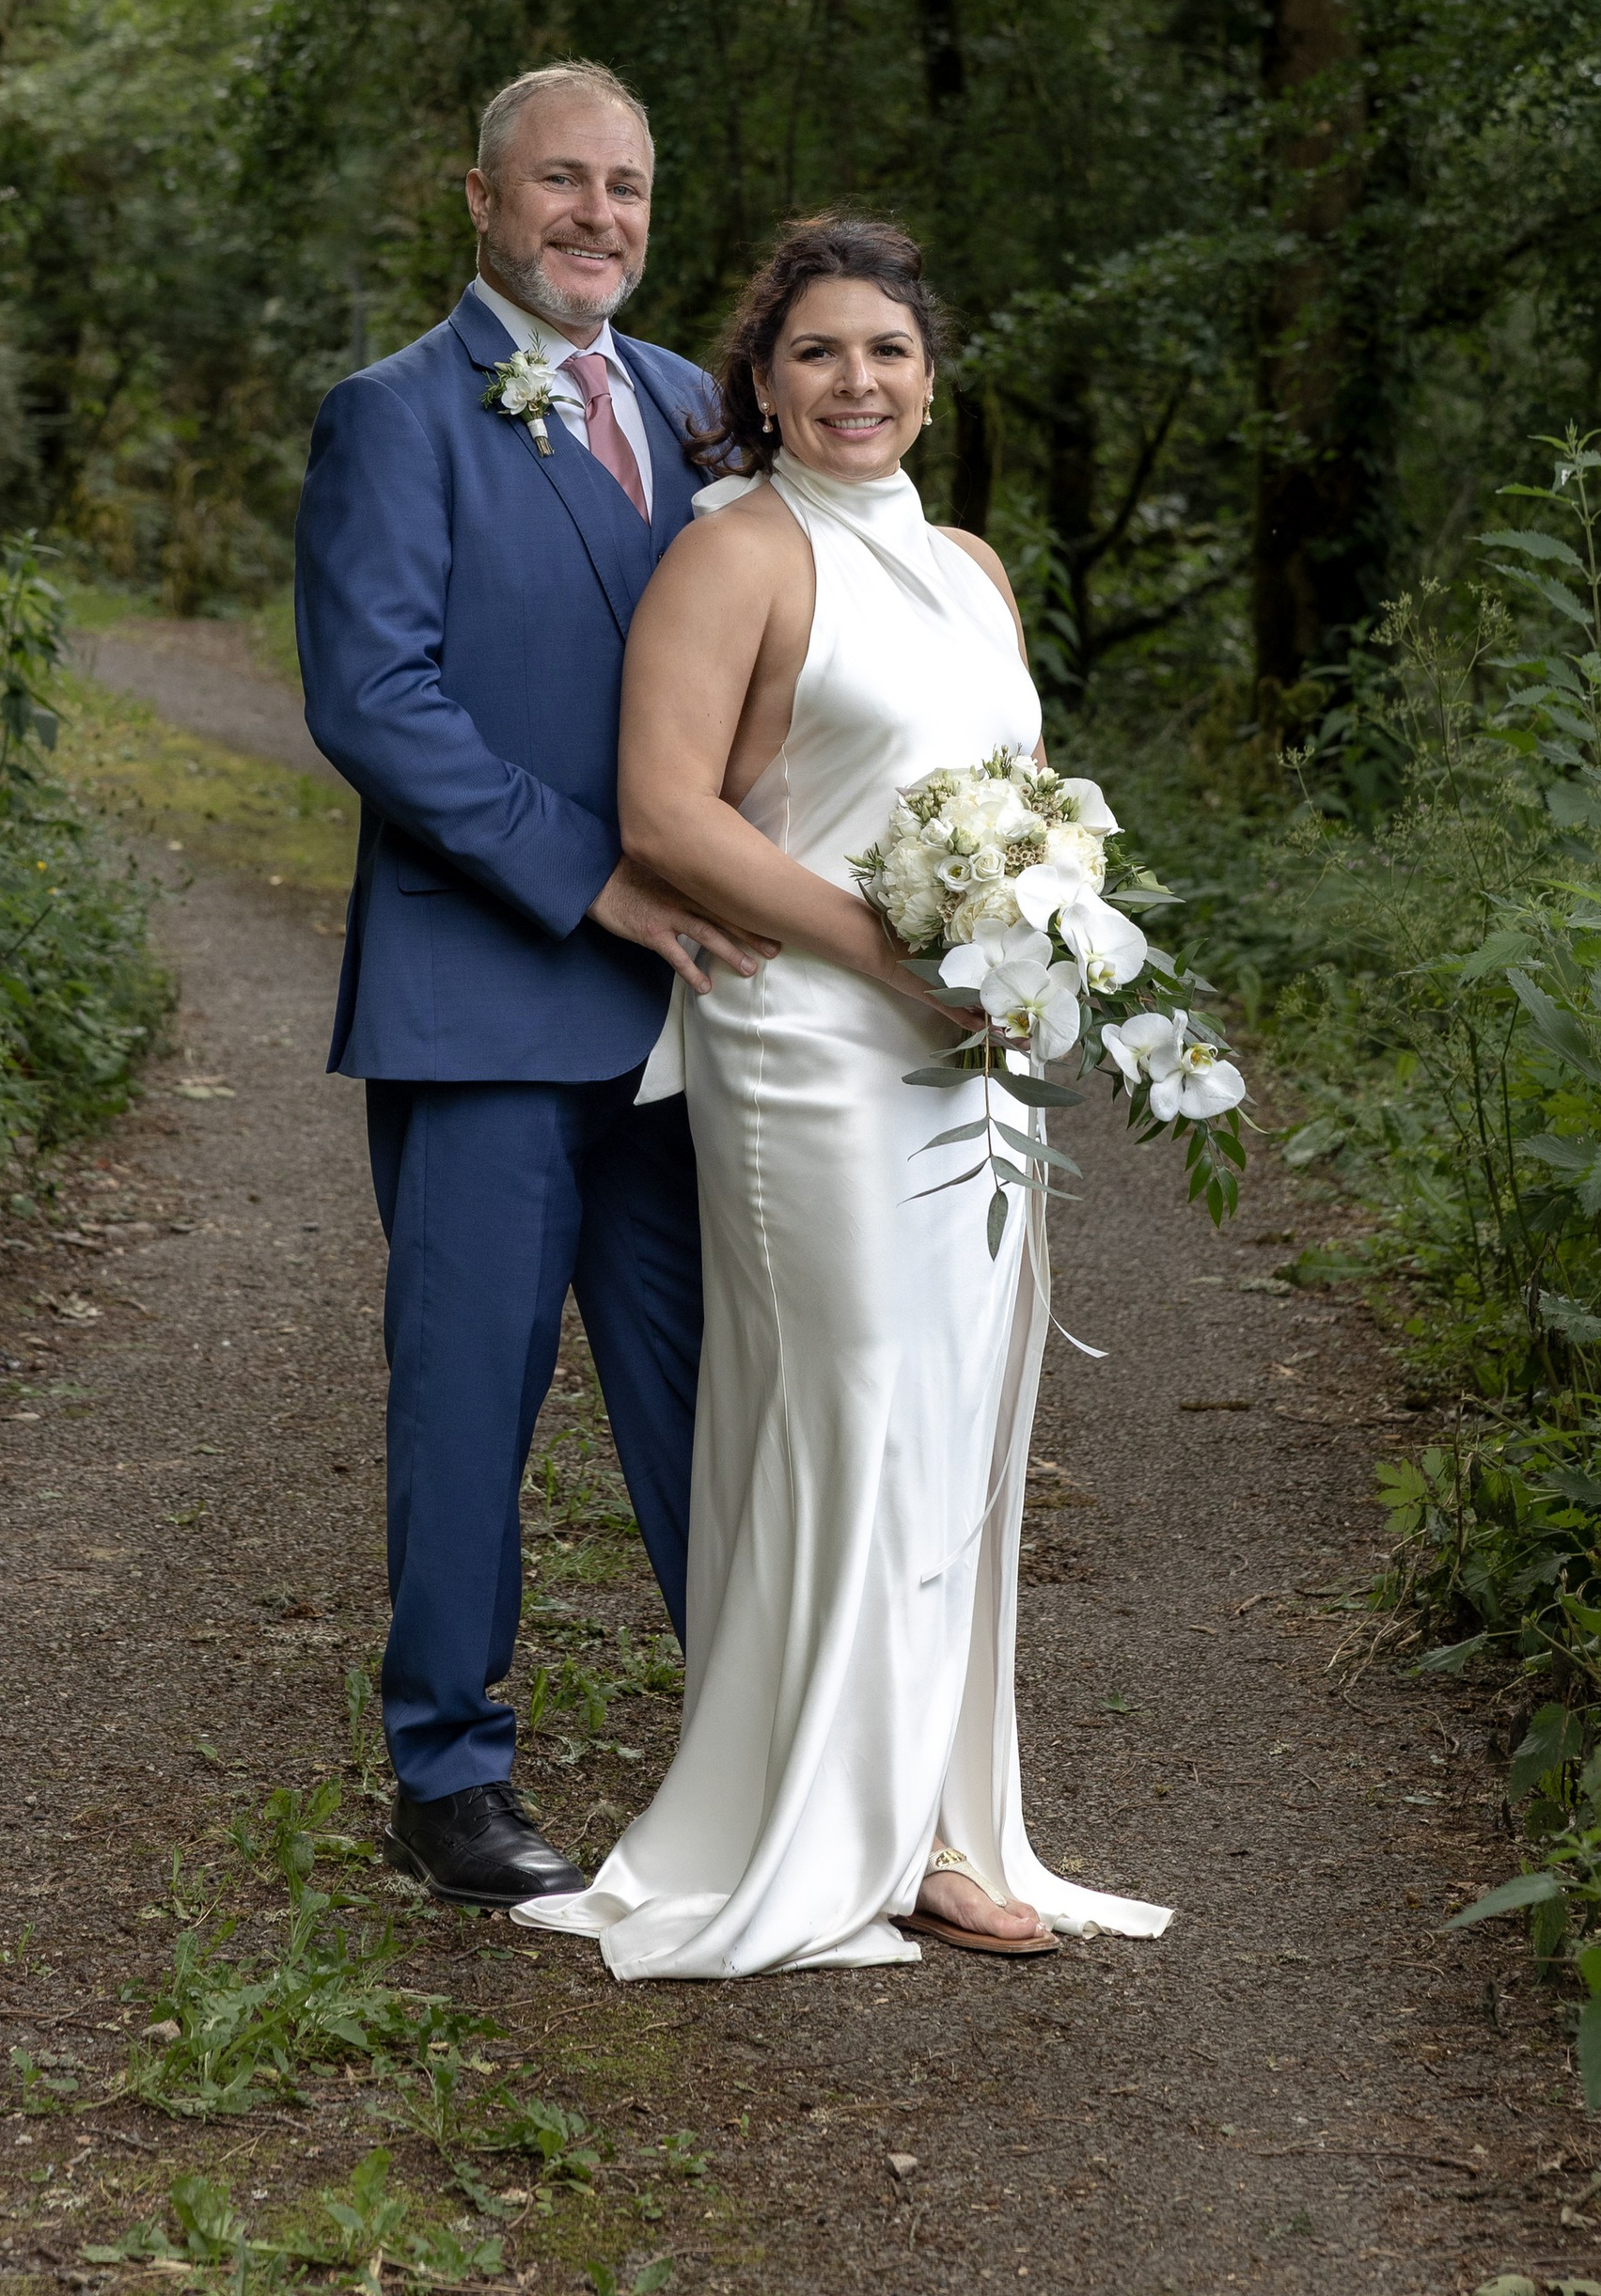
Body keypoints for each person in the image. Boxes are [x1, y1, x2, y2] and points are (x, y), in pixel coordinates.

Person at [515, 216, 1170, 1974]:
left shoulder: (971, 567)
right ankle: (844, 1827)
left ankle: (946, 1820)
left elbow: (1022, 797)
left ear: (930, 377)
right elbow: (669, 818)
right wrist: (894, 951)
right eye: (816, 353)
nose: (855, 382)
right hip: (806, 1043)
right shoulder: (737, 554)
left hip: (973, 1054)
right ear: (761, 380)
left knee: (961, 1417)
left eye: (885, 350)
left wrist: (1043, 943)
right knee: (855, 1399)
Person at [293, 61, 768, 1911]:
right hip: (488, 996)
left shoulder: (692, 412)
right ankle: (449, 1777)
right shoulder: (393, 416)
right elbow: (376, 704)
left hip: (691, 1016)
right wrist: (601, 883)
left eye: (628, 186)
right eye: (560, 182)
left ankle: (763, 1744)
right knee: (468, 1396)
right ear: (477, 200)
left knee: (711, 1391)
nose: (598, 216)